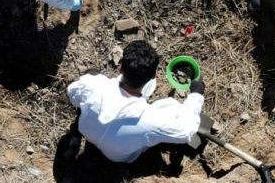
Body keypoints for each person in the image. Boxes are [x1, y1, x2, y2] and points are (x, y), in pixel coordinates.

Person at [66, 40, 206, 163]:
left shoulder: (93, 85)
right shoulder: (151, 120)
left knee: (92, 72)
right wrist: (196, 95)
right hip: (119, 157)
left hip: (88, 133)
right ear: (154, 75)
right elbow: (187, 131)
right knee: (172, 106)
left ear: (120, 67)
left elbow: (72, 93)